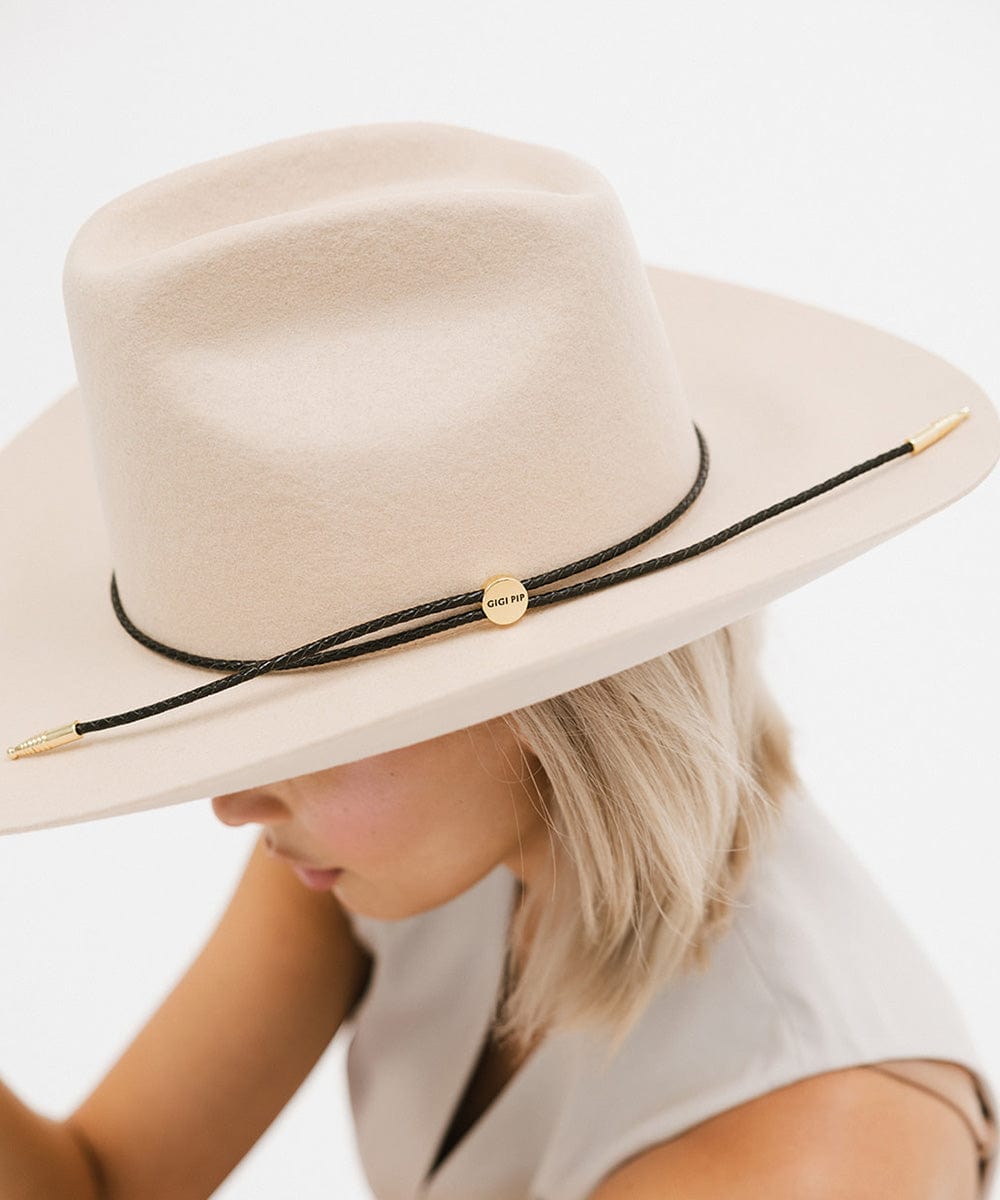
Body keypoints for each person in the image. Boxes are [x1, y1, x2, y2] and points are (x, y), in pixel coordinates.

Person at [0, 120, 996, 1199]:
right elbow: (99, 1183)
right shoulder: (394, 830)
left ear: (541, 697)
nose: (230, 803)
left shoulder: (807, 1145)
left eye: (304, 723)